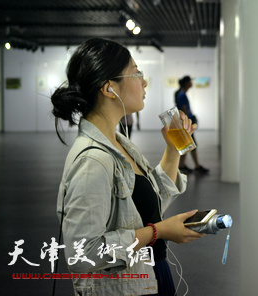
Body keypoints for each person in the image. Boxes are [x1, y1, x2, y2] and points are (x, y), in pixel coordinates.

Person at [51, 38, 204, 296]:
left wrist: (173, 147)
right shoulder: (92, 161)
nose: (144, 81)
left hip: (150, 276)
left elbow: (149, 204)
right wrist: (158, 232)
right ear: (109, 89)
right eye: (136, 72)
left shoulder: (120, 143)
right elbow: (84, 254)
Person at [174, 76, 209, 174]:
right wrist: (189, 122)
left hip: (185, 123)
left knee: (188, 145)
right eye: (190, 81)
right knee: (190, 144)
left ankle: (183, 165)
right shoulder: (182, 95)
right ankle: (190, 165)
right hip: (185, 124)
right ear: (186, 83)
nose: (191, 83)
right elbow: (184, 110)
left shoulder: (181, 94)